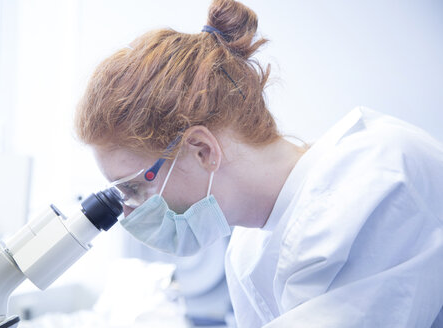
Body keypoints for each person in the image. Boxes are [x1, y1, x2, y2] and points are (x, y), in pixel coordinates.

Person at [74, 0, 443, 326]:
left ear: (203, 150)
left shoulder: (373, 182)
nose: (128, 211)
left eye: (135, 187)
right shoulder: (248, 244)